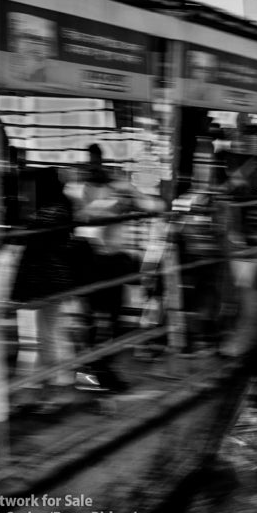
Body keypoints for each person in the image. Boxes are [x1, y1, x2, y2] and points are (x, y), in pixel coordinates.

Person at [69, 144, 163, 391]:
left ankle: (102, 371)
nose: (93, 167)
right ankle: (91, 376)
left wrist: (131, 199)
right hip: (91, 261)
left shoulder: (117, 186)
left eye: (97, 162)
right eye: (90, 163)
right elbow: (84, 218)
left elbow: (154, 206)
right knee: (91, 321)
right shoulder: (80, 190)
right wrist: (114, 204)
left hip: (112, 262)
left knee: (113, 321)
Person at [10, 167, 77, 412]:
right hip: (45, 282)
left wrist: (23, 225)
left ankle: (52, 389)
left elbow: (34, 233)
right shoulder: (54, 207)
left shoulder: (55, 209)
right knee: (42, 336)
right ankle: (43, 389)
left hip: (48, 282)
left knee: (46, 337)